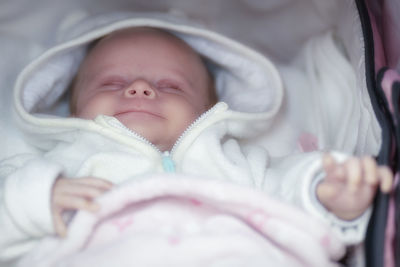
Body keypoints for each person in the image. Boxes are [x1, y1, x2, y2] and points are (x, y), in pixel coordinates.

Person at [0, 13, 393, 263]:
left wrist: (329, 193)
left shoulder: (235, 162)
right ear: (72, 108)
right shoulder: (53, 170)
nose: (139, 88)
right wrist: (36, 199)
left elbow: (292, 190)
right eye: (112, 82)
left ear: (207, 111)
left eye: (169, 85)